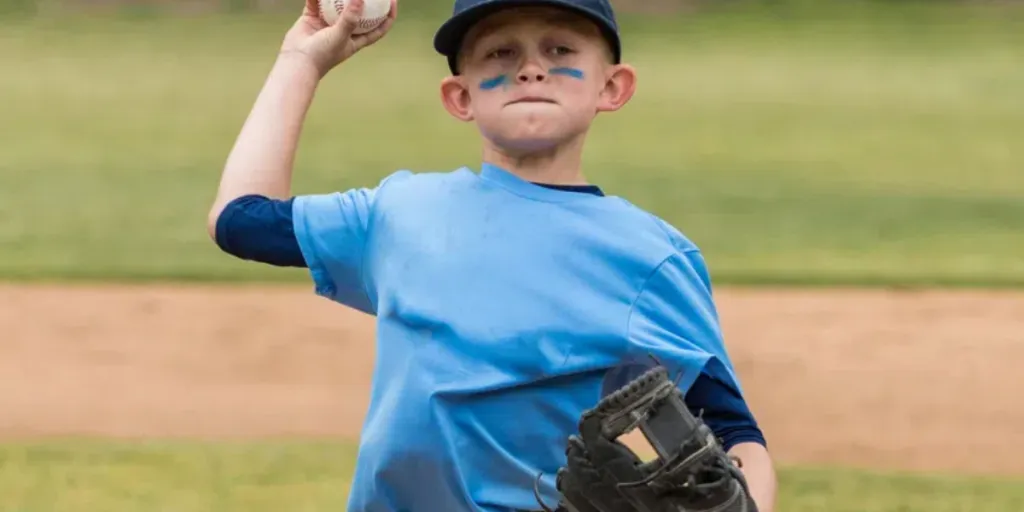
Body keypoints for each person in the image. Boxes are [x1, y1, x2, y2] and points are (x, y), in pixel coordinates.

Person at [207, 0, 778, 510]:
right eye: (500, 53)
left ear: (613, 87)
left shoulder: (651, 255)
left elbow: (732, 431)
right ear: (461, 97)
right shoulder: (400, 212)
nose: (530, 67)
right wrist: (300, 62)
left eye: (560, 49)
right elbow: (239, 220)